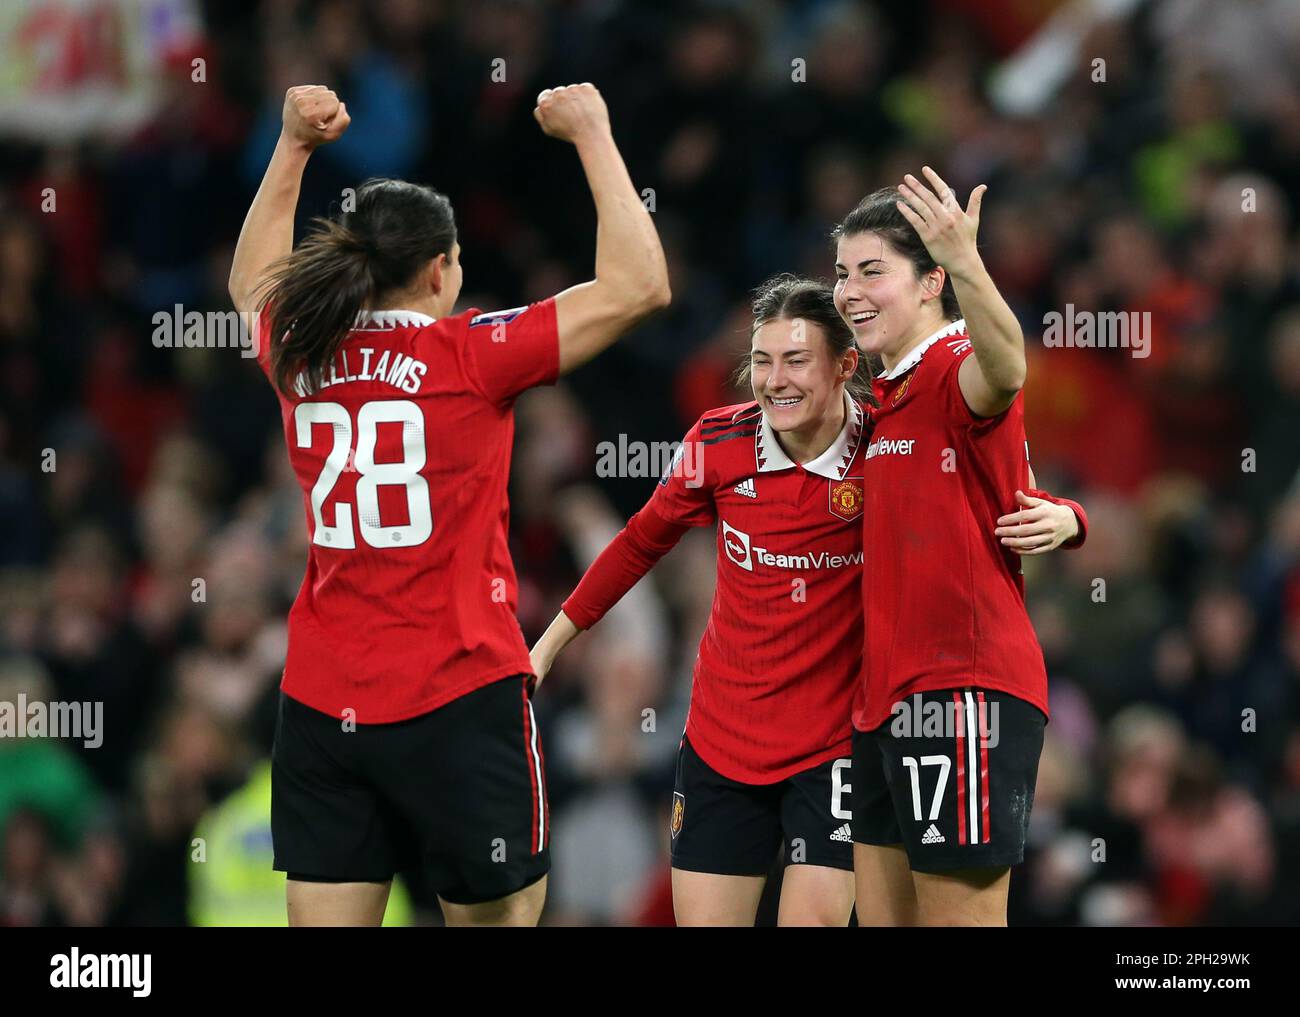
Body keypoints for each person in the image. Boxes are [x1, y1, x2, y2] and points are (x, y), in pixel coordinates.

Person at [227, 83, 669, 926]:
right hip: (457, 700)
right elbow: (640, 285)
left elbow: (251, 280)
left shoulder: (298, 345)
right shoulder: (472, 353)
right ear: (440, 270)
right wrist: (593, 136)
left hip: (325, 704)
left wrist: (289, 147)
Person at [529, 275, 1085, 926]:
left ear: (846, 364)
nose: (775, 380)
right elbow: (635, 546)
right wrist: (544, 649)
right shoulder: (717, 443)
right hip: (720, 742)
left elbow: (992, 484)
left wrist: (1070, 517)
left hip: (834, 750)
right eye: (762, 361)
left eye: (796, 360)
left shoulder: (887, 443)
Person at [833, 169, 1063, 926]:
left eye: (873, 271)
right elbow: (1017, 481)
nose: (849, 291)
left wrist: (969, 258)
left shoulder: (955, 362)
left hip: (961, 691)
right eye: (841, 272)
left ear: (932, 282)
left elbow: (1007, 370)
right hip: (880, 704)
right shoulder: (883, 399)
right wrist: (1067, 514)